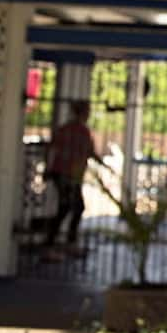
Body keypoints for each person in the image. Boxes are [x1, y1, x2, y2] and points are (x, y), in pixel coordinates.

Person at [42, 99, 102, 261]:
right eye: (88, 111)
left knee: (70, 207)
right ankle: (55, 244)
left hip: (65, 174)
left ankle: (61, 243)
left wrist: (48, 169)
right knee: (70, 207)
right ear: (83, 113)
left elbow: (51, 149)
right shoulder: (81, 132)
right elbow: (90, 152)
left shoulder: (67, 129)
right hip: (67, 175)